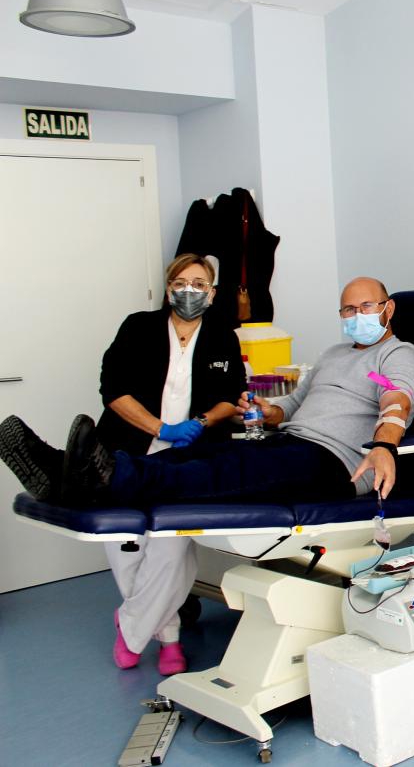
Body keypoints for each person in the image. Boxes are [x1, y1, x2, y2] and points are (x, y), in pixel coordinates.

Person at [3, 253, 244, 677]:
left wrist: (201, 422)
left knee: (171, 550)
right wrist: (161, 428)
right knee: (127, 545)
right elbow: (112, 389)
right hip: (125, 453)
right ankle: (168, 637)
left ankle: (132, 628)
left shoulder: (223, 335)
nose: (189, 291)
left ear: (212, 293)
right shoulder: (138, 327)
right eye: (180, 283)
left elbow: (231, 394)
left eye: (198, 284)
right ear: (168, 288)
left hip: (186, 459)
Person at [2, 275, 414, 511]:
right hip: (292, 442)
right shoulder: (332, 354)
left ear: (388, 308)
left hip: (337, 463)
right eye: (348, 309)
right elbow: (294, 405)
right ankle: (61, 470)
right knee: (199, 454)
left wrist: (385, 445)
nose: (356, 315)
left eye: (366, 307)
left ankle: (105, 479)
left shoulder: (397, 356)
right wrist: (267, 409)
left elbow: (396, 401)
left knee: (227, 471)